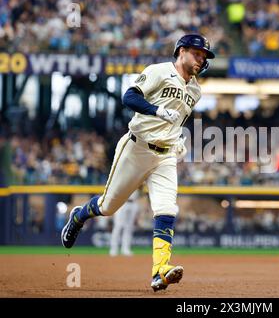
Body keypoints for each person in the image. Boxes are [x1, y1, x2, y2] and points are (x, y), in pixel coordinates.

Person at [61, 34, 215, 292]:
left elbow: (175, 120)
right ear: (182, 51)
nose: (201, 59)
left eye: (204, 57)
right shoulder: (159, 71)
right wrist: (157, 110)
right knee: (108, 206)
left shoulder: (196, 90)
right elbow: (129, 97)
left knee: (167, 210)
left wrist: (176, 139)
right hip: (137, 148)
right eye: (197, 53)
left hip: (165, 156)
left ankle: (159, 271)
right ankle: (78, 215)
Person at [109, 189, 140, 257]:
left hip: (133, 203)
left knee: (129, 228)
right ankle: (114, 249)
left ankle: (125, 249)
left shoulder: (138, 178)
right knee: (118, 226)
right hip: (122, 202)